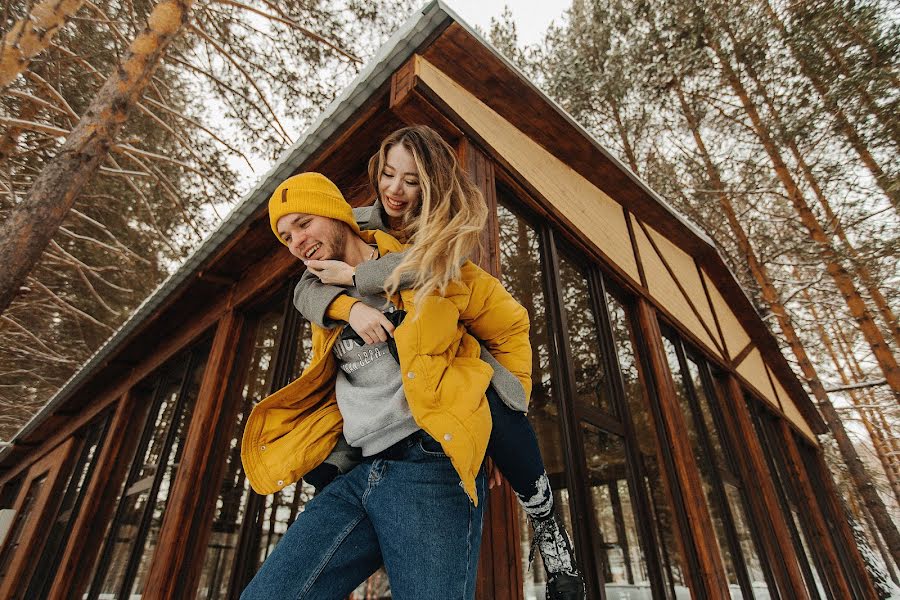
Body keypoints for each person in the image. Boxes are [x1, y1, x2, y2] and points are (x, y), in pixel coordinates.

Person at [294, 125, 584, 599]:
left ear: (430, 186)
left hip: (444, 409)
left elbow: (448, 278)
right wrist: (351, 303)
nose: (394, 190)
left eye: (411, 181)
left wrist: (505, 405)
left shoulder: (449, 250)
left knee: (492, 397)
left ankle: (548, 523)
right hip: (371, 425)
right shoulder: (356, 226)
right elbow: (305, 287)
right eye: (388, 174)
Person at [240, 171, 531, 599]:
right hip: (356, 470)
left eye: (303, 223)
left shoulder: (421, 262)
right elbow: (305, 293)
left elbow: (509, 328)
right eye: (285, 236)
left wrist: (501, 424)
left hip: (428, 464)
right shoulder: (318, 287)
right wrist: (348, 307)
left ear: (337, 214)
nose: (296, 241)